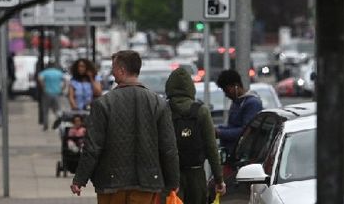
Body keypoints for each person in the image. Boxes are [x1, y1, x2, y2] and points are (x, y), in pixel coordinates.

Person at [70, 50, 181, 201]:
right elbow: (168, 147)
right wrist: (173, 180)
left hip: (110, 182)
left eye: (113, 68)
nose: (112, 72)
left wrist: (80, 179)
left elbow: (92, 147)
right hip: (147, 181)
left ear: (122, 71)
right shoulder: (158, 103)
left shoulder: (103, 104)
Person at [165, 68, 225, 204]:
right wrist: (219, 179)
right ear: (190, 88)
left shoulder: (164, 110)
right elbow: (211, 147)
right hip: (196, 175)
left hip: (170, 177)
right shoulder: (201, 111)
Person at [215, 69, 262, 157]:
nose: (226, 95)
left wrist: (220, 133)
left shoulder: (252, 103)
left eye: (228, 91)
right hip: (231, 153)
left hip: (243, 155)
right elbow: (232, 126)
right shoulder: (237, 102)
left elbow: (246, 131)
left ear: (236, 86)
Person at [37, 60, 66, 130]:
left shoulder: (44, 72)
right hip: (57, 93)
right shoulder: (59, 72)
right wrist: (62, 89)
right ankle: (59, 123)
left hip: (47, 92)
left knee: (45, 110)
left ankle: (45, 126)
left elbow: (40, 79)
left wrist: (43, 87)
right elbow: (65, 80)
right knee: (57, 110)